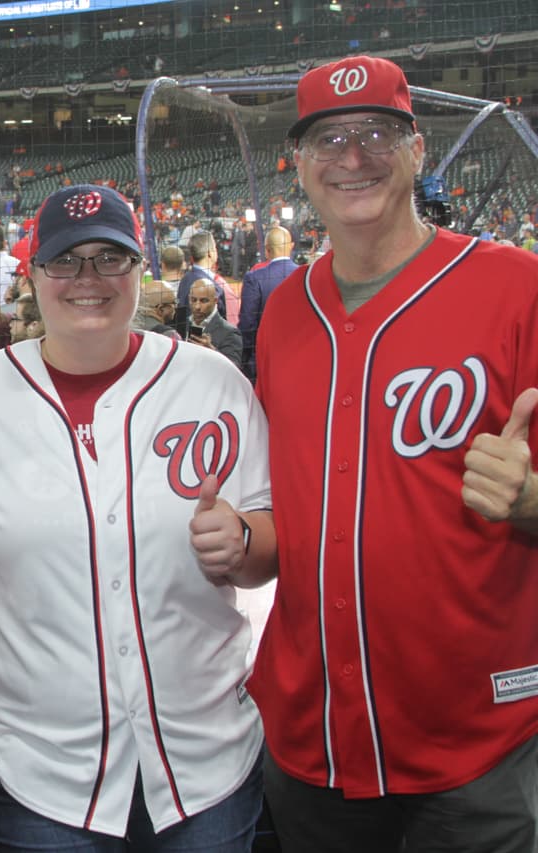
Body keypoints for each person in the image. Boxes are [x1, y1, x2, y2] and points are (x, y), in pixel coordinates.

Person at [0, 184, 274, 851]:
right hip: (25, 761)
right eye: (65, 260)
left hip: (203, 751)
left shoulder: (214, 382)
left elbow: (269, 551)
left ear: (142, 267)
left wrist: (244, 540)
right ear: (33, 275)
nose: (89, 278)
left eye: (111, 257)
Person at [250, 55, 538, 853]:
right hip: (313, 739)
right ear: (299, 166)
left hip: (476, 741)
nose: (353, 158)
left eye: (377, 132)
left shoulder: (518, 287)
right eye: (328, 139)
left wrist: (531, 500)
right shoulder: (283, 313)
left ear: (417, 150)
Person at [237, 225, 297, 381]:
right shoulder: (305, 275)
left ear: (266, 250)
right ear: (291, 247)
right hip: (298, 357)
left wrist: (245, 358)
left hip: (264, 360)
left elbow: (247, 324)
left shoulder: (255, 277)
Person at [188, 279, 242, 368]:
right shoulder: (182, 325)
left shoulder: (230, 332)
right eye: (193, 300)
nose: (197, 306)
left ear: (215, 300)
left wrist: (211, 349)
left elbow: (234, 369)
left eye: (204, 301)